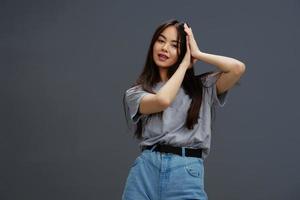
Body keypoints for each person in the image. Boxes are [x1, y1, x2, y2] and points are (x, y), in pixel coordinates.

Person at [121, 19, 246, 200]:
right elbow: (163, 100)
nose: (164, 48)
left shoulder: (203, 87)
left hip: (185, 172)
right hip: (145, 172)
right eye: (161, 40)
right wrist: (183, 65)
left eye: (175, 45)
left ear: (184, 52)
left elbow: (237, 68)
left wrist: (197, 53)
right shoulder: (136, 92)